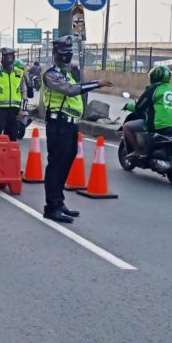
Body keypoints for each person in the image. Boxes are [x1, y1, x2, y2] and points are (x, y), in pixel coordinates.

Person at [41, 36, 112, 224]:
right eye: (64, 54)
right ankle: (51, 207)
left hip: (71, 125)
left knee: (66, 164)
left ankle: (59, 201)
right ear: (56, 54)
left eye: (69, 54)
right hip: (58, 125)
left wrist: (76, 69)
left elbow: (76, 84)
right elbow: (72, 90)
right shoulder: (51, 74)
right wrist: (97, 83)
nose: (67, 57)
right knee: (56, 166)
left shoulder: (69, 73)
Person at [122, 66, 172, 158]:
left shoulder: (153, 90)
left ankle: (137, 151)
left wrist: (128, 106)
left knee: (127, 127)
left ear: (153, 77)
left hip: (158, 124)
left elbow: (139, 107)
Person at [0, 47, 31, 141]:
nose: (6, 60)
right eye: (4, 57)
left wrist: (22, 110)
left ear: (14, 59)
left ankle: (10, 156)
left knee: (12, 138)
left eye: (9, 57)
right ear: (1, 59)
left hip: (15, 112)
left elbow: (24, 92)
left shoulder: (19, 73)